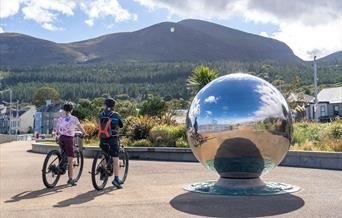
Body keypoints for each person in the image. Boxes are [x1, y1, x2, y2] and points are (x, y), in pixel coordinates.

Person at [56, 102, 87, 186]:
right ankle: (71, 179)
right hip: (69, 139)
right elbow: (81, 128)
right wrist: (84, 133)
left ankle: (61, 165)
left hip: (61, 138)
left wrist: (57, 135)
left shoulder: (60, 118)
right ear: (72, 110)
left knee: (63, 153)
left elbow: (57, 130)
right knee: (70, 160)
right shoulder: (74, 119)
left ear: (64, 110)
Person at [98, 98, 123, 189]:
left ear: (105, 105)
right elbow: (121, 125)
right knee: (115, 159)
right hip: (113, 138)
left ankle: (102, 173)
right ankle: (116, 180)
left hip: (103, 138)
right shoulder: (116, 115)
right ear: (113, 106)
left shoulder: (101, 114)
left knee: (104, 155)